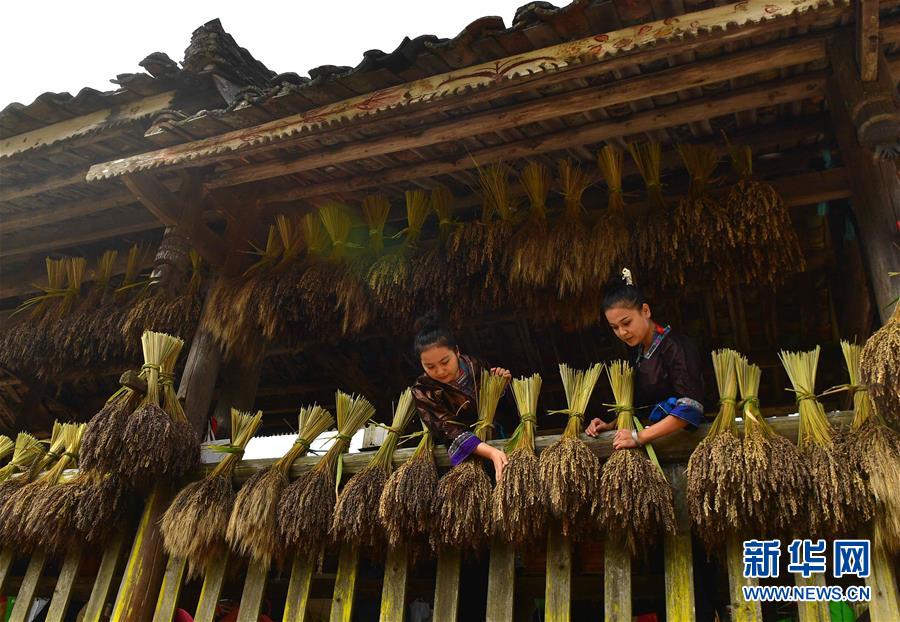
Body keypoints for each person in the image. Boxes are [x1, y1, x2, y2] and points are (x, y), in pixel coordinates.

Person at [585, 269, 706, 447]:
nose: (622, 332)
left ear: (646, 311)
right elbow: (645, 406)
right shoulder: (638, 353)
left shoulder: (676, 347)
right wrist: (611, 425)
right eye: (614, 327)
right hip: (656, 446)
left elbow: (691, 408)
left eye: (626, 323)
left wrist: (639, 437)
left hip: (688, 446)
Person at [411, 312, 512, 480]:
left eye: (445, 362)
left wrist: (501, 384)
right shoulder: (422, 390)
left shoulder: (477, 366)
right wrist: (491, 452)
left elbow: (502, 407)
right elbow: (448, 430)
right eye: (430, 367)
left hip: (495, 439)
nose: (440, 371)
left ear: (457, 351)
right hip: (464, 452)